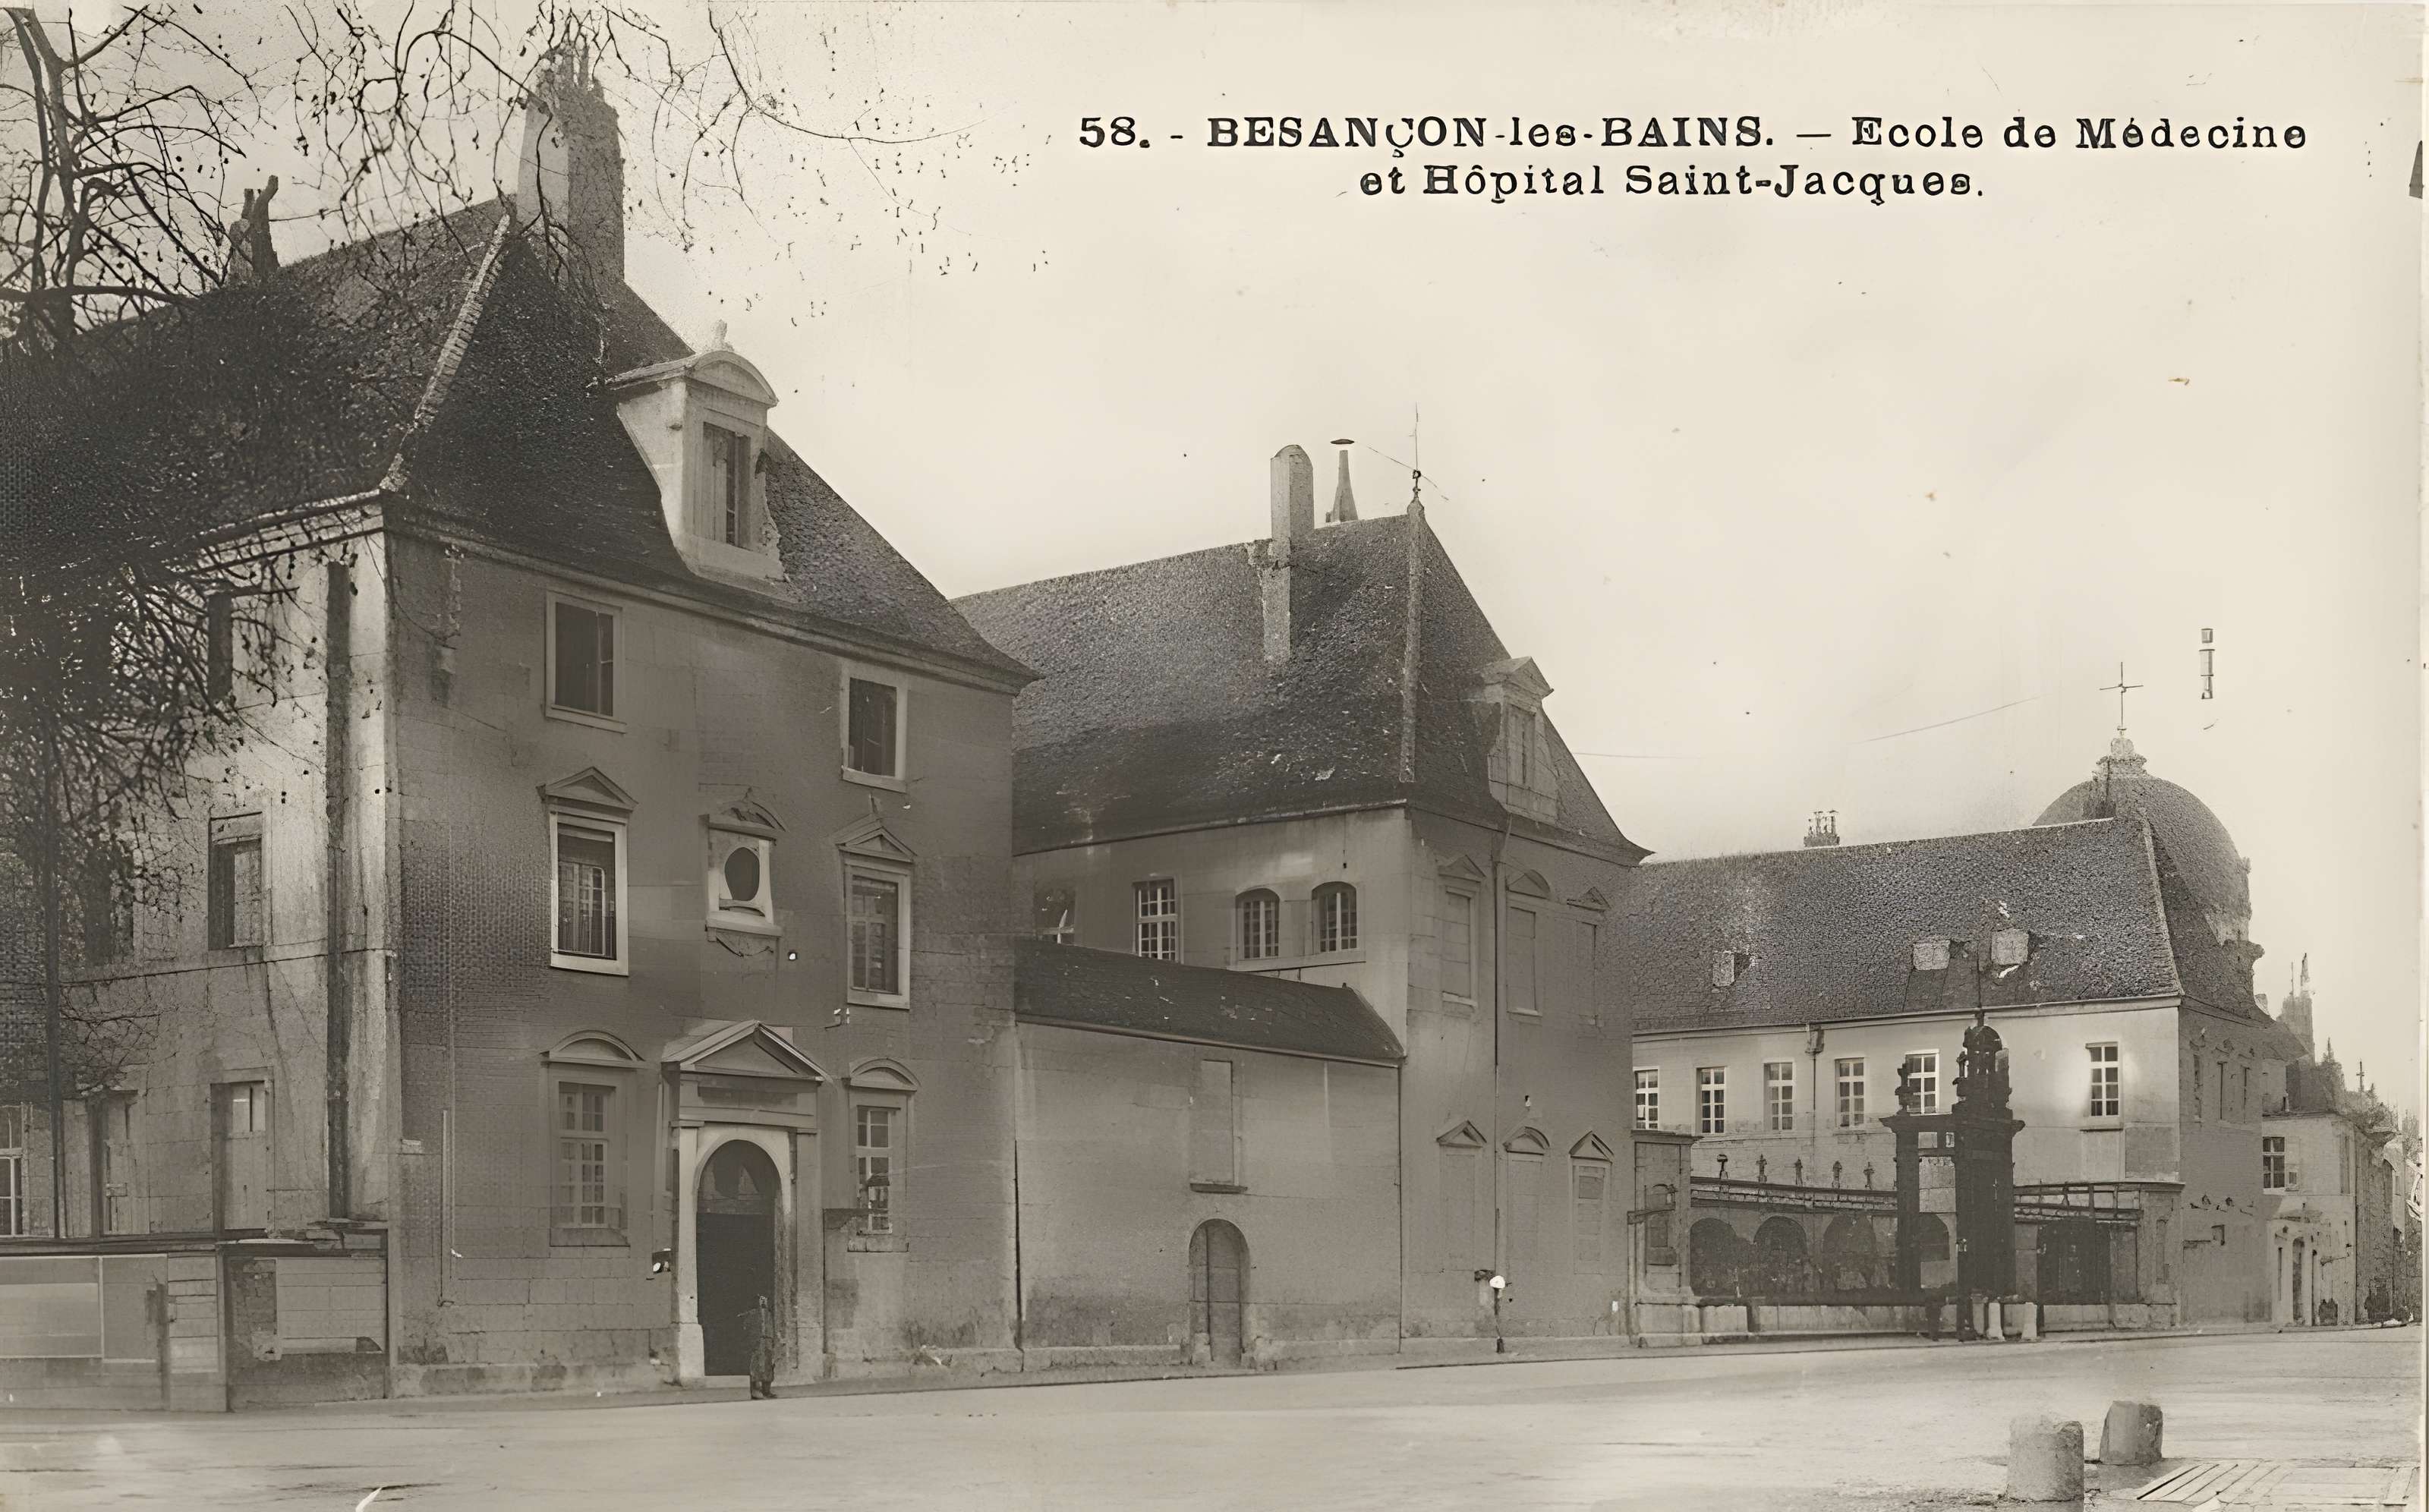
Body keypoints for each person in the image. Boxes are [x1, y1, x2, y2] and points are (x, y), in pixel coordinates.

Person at [744, 1294, 777, 1400]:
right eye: (761, 1300)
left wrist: (773, 1342)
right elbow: (747, 1328)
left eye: (765, 1300)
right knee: (756, 1367)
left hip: (768, 1341)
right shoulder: (752, 1314)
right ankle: (755, 1392)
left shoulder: (770, 1314)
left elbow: (773, 1328)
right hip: (757, 1342)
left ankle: (766, 1391)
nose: (763, 1302)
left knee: (768, 1366)